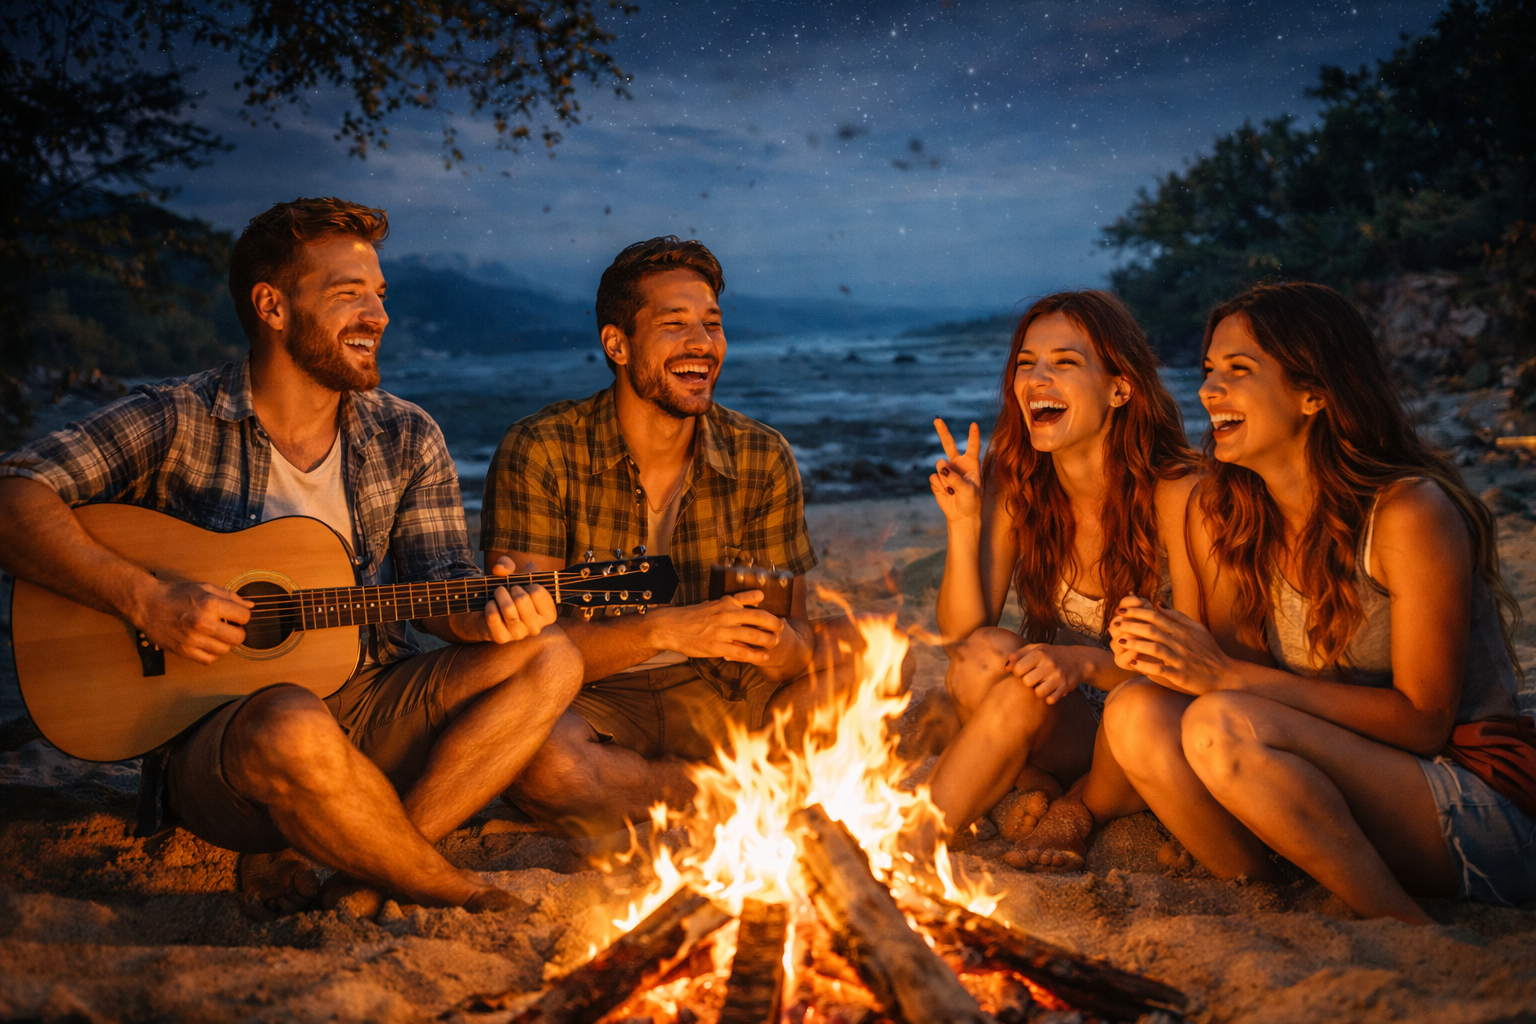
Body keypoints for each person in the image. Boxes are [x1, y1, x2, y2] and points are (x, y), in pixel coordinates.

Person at [0, 198, 582, 919]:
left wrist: (494, 609)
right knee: (291, 721)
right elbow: (14, 494)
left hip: (372, 706)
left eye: (380, 295)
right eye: (349, 295)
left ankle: (369, 867)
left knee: (551, 656)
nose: (378, 316)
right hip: (230, 743)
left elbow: (439, 592)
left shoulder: (407, 434)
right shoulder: (177, 417)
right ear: (272, 307)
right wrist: (145, 601)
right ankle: (445, 885)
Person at [1106, 281, 1536, 920]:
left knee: (1219, 723)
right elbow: (1231, 671)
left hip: (1476, 795)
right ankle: (1274, 896)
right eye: (1208, 371)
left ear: (1315, 394)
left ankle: (1398, 924)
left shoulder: (1407, 512)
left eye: (1239, 370)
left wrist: (1224, 676)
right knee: (1135, 709)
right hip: (1355, 784)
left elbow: (1424, 722)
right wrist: (1160, 644)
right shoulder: (1244, 516)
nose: (1208, 390)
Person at [481, 235, 842, 835]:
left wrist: (784, 648)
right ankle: (728, 794)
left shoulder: (761, 454)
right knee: (543, 763)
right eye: (675, 325)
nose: (702, 343)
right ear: (617, 344)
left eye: (712, 324)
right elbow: (525, 650)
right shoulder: (541, 448)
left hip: (721, 693)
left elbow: (797, 634)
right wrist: (664, 628)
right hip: (593, 695)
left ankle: (652, 796)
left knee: (883, 659)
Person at [924, 290, 1199, 869]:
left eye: (1064, 362)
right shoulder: (1018, 479)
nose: (1036, 379)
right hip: (1070, 715)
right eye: (1026, 363)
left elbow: (1199, 665)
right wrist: (964, 521)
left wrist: (1083, 664)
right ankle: (969, 815)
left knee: (1103, 703)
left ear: (1120, 388)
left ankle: (1051, 804)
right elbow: (962, 639)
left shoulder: (1175, 491)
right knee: (984, 654)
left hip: (1152, 724)